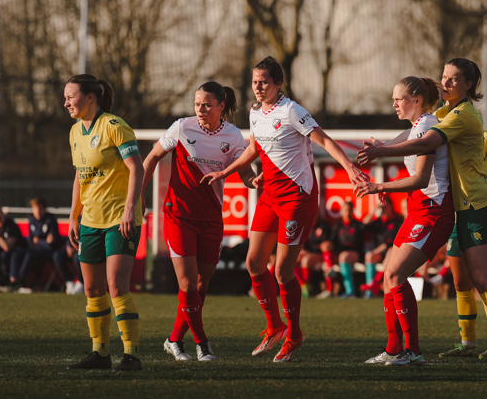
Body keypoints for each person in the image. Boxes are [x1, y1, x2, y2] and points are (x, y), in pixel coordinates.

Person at [359, 58, 487, 367]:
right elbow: (416, 131)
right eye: (444, 77)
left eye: (453, 80)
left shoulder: (463, 115)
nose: (445, 83)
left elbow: (427, 141)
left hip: (477, 202)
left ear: (468, 85)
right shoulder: (443, 113)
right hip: (462, 205)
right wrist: (378, 147)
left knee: (485, 276)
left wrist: (381, 157)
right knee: (476, 279)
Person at [201, 56, 367, 363]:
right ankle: (274, 326)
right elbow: (255, 148)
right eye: (255, 82)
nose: (259, 87)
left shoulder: (292, 111)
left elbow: (324, 140)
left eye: (264, 81)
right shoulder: (254, 113)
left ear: (278, 84)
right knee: (253, 263)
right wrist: (226, 171)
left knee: (282, 270)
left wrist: (349, 166)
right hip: (269, 196)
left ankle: (294, 334)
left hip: (297, 197)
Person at [142, 81, 254, 362]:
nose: (200, 109)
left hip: (212, 219)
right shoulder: (182, 127)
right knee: (188, 284)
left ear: (221, 106)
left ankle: (173, 340)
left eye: (206, 104)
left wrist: (257, 180)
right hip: (178, 215)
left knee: (202, 285)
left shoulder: (233, 135)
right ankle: (203, 345)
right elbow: (153, 157)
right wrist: (137, 196)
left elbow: (245, 172)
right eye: (197, 104)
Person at [356, 75, 454, 366]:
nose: (394, 103)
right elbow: (394, 146)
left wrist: (381, 186)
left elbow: (421, 178)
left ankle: (412, 351)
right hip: (417, 210)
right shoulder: (417, 126)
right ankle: (394, 349)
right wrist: (379, 148)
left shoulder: (427, 126)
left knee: (396, 275)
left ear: (417, 100)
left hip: (434, 212)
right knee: (389, 277)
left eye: (399, 98)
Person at [64, 74, 144, 371]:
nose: (66, 102)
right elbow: (79, 175)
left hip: (118, 221)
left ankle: (131, 355)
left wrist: (129, 210)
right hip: (91, 221)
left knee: (116, 285)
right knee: (92, 290)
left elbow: (136, 168)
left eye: (70, 96)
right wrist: (73, 215)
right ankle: (100, 354)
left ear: (89, 97)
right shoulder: (74, 132)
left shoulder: (114, 126)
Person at [438, 129, 487, 361]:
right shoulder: (445, 139)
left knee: (483, 281)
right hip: (457, 217)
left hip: (480, 216)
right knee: (460, 283)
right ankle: (467, 343)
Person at [20, 198, 81, 294]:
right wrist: (44, 242)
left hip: (50, 251)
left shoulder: (51, 220)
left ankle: (81, 283)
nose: (37, 212)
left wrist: (39, 241)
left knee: (73, 256)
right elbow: (31, 242)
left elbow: (52, 244)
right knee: (23, 253)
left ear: (44, 209)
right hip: (37, 250)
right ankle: (69, 282)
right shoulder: (32, 220)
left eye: (40, 209)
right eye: (35, 209)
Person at [361, 197, 404, 298]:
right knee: (369, 256)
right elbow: (364, 223)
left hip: (390, 252)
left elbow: (389, 243)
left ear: (391, 206)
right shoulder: (379, 222)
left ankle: (375, 282)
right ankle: (370, 291)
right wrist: (375, 209)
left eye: (385, 206)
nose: (383, 209)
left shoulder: (397, 221)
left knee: (390, 251)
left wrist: (374, 251)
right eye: (382, 207)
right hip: (379, 253)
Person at [330, 200, 367, 298]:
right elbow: (332, 241)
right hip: (340, 254)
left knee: (344, 256)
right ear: (341, 211)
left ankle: (350, 291)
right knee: (335, 253)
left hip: (356, 253)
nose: (347, 212)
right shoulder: (338, 225)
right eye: (345, 210)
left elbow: (357, 242)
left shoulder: (358, 225)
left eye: (349, 210)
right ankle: (329, 286)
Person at [0, 208, 28, 292]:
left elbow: (7, 247)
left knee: (10, 254)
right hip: (5, 254)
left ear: (4, 216)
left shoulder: (11, 226)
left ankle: (13, 281)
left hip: (21, 251)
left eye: (0, 216)